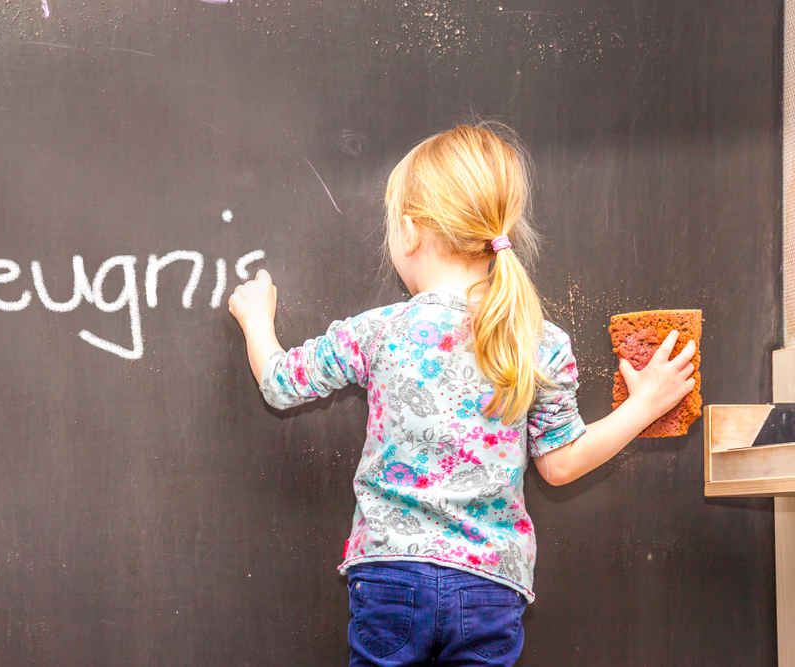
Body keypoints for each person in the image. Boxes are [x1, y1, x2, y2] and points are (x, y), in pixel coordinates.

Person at [227, 123, 696, 667]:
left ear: (409, 232)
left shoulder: (378, 331)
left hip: (389, 575)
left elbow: (281, 385)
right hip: (490, 586)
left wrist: (256, 320)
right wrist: (642, 408)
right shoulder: (538, 341)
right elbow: (562, 464)